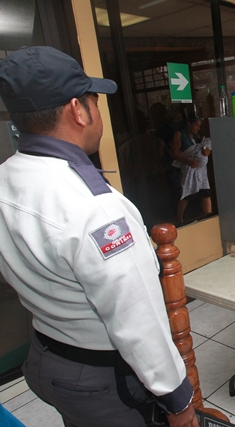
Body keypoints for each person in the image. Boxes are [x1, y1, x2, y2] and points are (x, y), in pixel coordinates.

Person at [0, 46, 198, 427]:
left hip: (46, 357)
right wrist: (178, 400)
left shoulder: (7, 177)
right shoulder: (95, 208)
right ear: (78, 110)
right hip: (100, 379)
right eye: (94, 100)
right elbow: (138, 319)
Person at [170, 114, 212, 223]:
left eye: (199, 126)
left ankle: (209, 216)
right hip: (188, 170)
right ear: (189, 123)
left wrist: (206, 151)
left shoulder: (197, 136)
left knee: (205, 193)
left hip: (200, 172)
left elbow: (204, 149)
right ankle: (180, 219)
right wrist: (188, 161)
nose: (197, 128)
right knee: (187, 194)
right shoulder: (179, 134)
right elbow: (174, 152)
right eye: (196, 125)